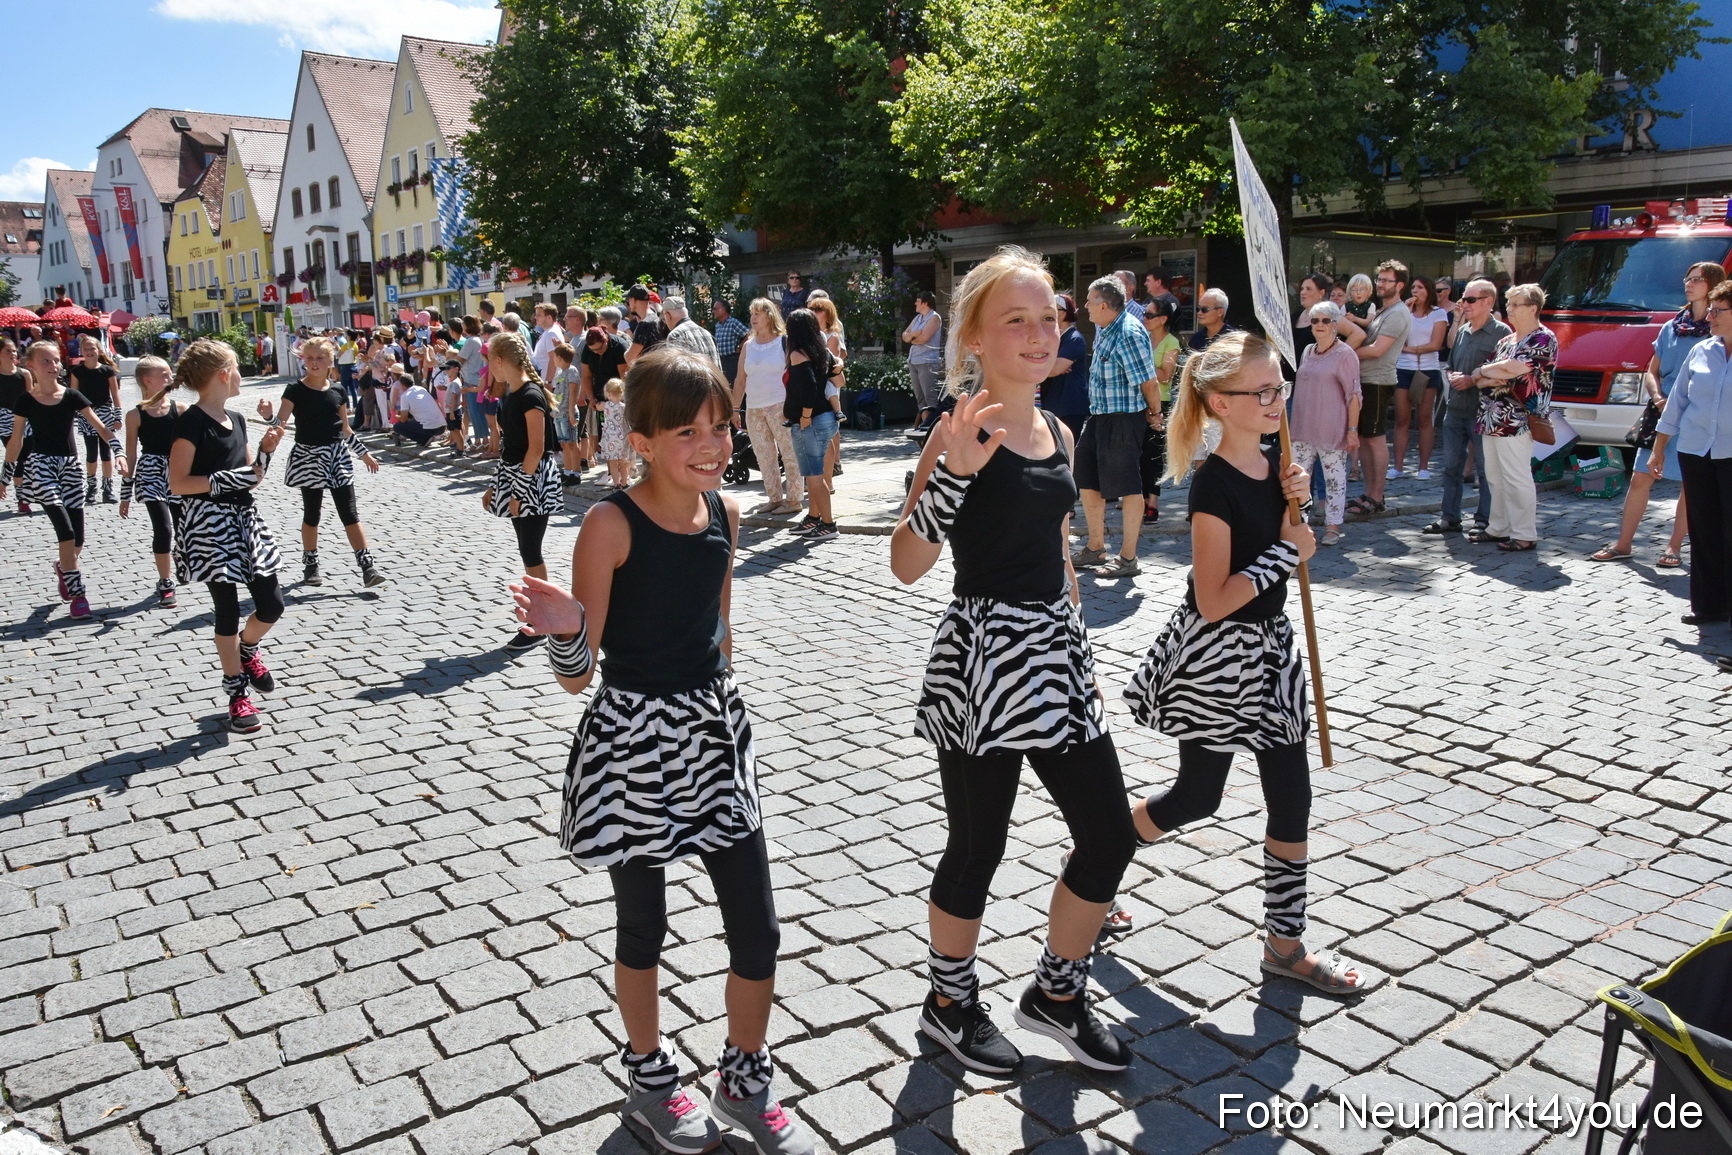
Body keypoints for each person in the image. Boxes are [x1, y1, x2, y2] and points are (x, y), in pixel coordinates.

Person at [507, 345, 814, 1155]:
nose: (712, 445)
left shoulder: (727, 514)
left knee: (758, 929)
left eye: (718, 426)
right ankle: (648, 1078)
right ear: (640, 439)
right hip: (634, 741)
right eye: (687, 431)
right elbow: (579, 677)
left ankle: (743, 1077)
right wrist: (567, 627)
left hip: (711, 733)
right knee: (644, 924)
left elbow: (720, 627)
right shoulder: (610, 523)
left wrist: (725, 705)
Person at [890, 246, 1137, 1076]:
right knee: (978, 845)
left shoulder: (1059, 427)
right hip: (982, 660)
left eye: (1048, 317)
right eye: (1016, 320)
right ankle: (949, 1002)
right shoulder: (959, 426)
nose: (1038, 333)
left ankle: (1057, 993)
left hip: (1055, 656)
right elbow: (905, 561)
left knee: (1107, 834)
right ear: (976, 337)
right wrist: (954, 477)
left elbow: (1055, 543)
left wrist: (1075, 636)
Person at [1123, 330, 1380, 997]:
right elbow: (1213, 600)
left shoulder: (1278, 466)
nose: (1276, 401)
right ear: (1218, 402)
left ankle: (1285, 944)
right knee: (1197, 795)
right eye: (1261, 392)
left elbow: (1293, 547)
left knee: (1291, 796)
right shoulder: (1212, 486)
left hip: (1271, 651)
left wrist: (1295, 509)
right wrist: (1287, 551)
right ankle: (1100, 853)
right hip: (1217, 656)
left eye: (1279, 388)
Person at [165, 340, 287, 733]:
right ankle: (236, 693)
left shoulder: (236, 417)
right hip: (208, 524)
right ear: (222, 374)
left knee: (271, 604)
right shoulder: (190, 422)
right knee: (228, 610)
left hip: (244, 518)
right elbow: (179, 482)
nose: (239, 375)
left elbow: (253, 476)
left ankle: (247, 649)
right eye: (236, 368)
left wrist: (266, 452)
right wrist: (232, 479)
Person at [1591, 261, 1722, 565]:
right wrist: (1659, 397)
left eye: (1696, 279)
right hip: (1662, 411)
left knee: (1690, 483)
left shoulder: (1718, 329)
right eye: (1687, 278)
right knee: (1640, 477)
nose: (1688, 284)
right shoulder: (1672, 325)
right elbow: (1652, 370)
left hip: (1698, 413)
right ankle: (1623, 543)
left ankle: (1674, 547)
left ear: (1713, 284)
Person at [0, 341, 129, 620]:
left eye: (56, 360)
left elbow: (101, 428)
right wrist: (5, 477)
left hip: (70, 468)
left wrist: (119, 453)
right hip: (41, 468)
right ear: (30, 366)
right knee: (66, 533)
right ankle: (78, 594)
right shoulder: (25, 401)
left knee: (77, 538)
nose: (53, 366)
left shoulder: (72, 396)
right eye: (45, 361)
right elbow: (15, 440)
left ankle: (64, 567)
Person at [257, 336, 387, 588]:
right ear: (303, 360)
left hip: (337, 457)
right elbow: (281, 426)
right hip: (308, 457)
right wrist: (269, 416)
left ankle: (367, 566)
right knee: (312, 513)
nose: (314, 363)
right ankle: (311, 564)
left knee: (349, 513)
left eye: (320, 358)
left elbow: (346, 430)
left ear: (331, 360)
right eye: (309, 358)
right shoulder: (295, 390)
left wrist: (364, 454)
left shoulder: (338, 391)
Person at [1647, 276, 1732, 626]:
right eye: (1710, 309)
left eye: (1717, 310)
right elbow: (1678, 401)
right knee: (1705, 529)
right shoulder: (1702, 349)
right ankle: (1709, 607)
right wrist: (1659, 447)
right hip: (1697, 451)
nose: (1709, 316)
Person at [1072, 275, 1160, 578]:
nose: (1085, 306)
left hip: (1123, 419)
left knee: (1127, 486)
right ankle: (1096, 548)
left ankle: (1128, 558)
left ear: (1105, 305)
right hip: (1099, 417)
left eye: (1089, 300)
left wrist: (1156, 414)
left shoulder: (1128, 331)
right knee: (1086, 477)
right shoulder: (1106, 327)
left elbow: (1149, 381)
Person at [486, 330, 566, 652]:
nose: (489, 369)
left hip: (534, 480)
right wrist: (495, 485)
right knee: (526, 550)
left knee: (531, 550)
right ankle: (542, 617)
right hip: (517, 476)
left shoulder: (532, 395)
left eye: (490, 361)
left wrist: (517, 491)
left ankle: (542, 620)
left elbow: (535, 449)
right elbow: (510, 447)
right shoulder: (510, 394)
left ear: (500, 361)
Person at [1469, 283, 1555, 551]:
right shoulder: (1506, 341)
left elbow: (1513, 368)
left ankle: (1524, 533)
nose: (1509, 309)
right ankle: (1499, 527)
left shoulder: (1543, 338)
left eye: (1515, 304)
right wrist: (1492, 372)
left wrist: (1489, 371)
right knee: (1494, 475)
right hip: (1491, 416)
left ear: (1533, 308)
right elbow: (1480, 378)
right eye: (1508, 303)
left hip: (1518, 419)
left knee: (1516, 476)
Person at [1425, 278, 1508, 536]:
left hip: (1483, 413)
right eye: (1464, 299)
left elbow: (1504, 374)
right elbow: (1450, 364)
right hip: (1455, 410)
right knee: (1450, 466)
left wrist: (1472, 380)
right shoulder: (1462, 330)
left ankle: (1484, 520)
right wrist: (1451, 376)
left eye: (1470, 299)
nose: (1464, 304)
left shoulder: (1502, 334)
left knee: (1486, 470)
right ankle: (1450, 517)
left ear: (1488, 302)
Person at [1289, 301, 1362, 547]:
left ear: (1335, 324)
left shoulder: (1345, 354)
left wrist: (1352, 431)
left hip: (1331, 427)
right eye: (1315, 320)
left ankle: (1333, 526)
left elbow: (1353, 395)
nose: (1319, 325)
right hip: (1302, 425)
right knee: (1298, 478)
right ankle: (1299, 525)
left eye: (1325, 320)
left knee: (1334, 478)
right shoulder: (1307, 350)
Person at [1346, 261, 1413, 516]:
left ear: (1399, 285)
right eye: (1380, 279)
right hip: (1365, 381)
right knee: (1364, 439)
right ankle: (1368, 493)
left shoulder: (1397, 313)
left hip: (1378, 382)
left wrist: (1344, 352)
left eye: (1386, 280)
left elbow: (1377, 350)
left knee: (1375, 440)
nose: (1381, 284)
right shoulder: (1383, 311)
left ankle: (1377, 496)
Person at [118, 356, 183, 607]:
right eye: (164, 375)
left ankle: (180, 558)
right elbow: (131, 455)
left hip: (177, 471)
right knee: (163, 528)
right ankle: (166, 582)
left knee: (182, 526)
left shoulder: (181, 410)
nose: (170, 378)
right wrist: (125, 494)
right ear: (148, 380)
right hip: (150, 472)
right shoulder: (135, 415)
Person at [731, 298, 803, 516]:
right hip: (754, 408)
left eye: (758, 313)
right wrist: (735, 408)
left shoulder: (784, 341)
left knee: (789, 453)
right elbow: (740, 380)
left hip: (780, 405)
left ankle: (794, 499)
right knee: (764, 455)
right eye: (751, 313)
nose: (753, 318)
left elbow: (798, 375)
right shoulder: (748, 346)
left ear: (769, 316)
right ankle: (774, 498)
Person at [783, 309, 844, 541]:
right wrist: (837, 363)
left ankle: (828, 524)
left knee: (815, 477)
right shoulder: (822, 352)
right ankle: (813, 518)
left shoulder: (798, 355)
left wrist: (805, 416)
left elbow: (807, 390)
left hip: (811, 421)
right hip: (827, 418)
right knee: (815, 474)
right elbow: (839, 379)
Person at [1392, 276, 1448, 480]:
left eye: (1420, 287)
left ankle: (1423, 467)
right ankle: (1397, 466)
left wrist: (1409, 349)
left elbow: (1436, 344)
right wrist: (1405, 311)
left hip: (1427, 369)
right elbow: (1396, 337)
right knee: (1401, 419)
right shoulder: (1404, 311)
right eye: (1413, 287)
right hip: (1403, 368)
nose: (1415, 290)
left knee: (1424, 419)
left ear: (1429, 290)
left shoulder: (1438, 313)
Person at [1140, 297, 1182, 520]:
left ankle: (1153, 503)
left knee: (1154, 454)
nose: (1144, 318)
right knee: (1138, 453)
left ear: (1163, 319)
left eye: (1149, 315)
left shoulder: (1171, 342)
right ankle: (1140, 499)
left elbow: (1166, 376)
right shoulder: (1142, 338)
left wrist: (1142, 365)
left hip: (1160, 402)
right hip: (1139, 401)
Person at [70, 336, 122, 504]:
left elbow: (115, 394)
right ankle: (91, 486)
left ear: (99, 350)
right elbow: (73, 395)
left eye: (92, 349)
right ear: (81, 352)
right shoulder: (77, 372)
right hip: (87, 415)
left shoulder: (107, 370)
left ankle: (107, 488)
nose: (90, 352)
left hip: (106, 414)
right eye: (86, 349)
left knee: (106, 454)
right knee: (91, 454)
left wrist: (118, 416)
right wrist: (73, 415)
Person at [807, 293, 848, 480]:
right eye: (812, 309)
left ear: (828, 313)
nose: (814, 312)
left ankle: (834, 465)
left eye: (818, 309)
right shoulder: (810, 334)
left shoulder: (832, 335)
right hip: (814, 383)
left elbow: (827, 361)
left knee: (831, 426)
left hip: (828, 382)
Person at [581, 325, 630, 473]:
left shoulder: (619, 346)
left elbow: (624, 377)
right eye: (593, 350)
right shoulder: (588, 349)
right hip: (600, 396)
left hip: (618, 395)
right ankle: (611, 471)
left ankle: (624, 470)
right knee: (606, 434)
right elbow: (586, 375)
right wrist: (591, 398)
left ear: (606, 339)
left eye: (599, 348)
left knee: (620, 436)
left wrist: (618, 403)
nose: (597, 352)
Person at [1041, 293, 1090, 439]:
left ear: (1066, 313)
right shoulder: (1051, 338)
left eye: (1056, 310)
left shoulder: (1074, 339)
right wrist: (1051, 363)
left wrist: (1046, 365)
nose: (1051, 315)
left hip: (1069, 407)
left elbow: (1055, 369)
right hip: (1051, 404)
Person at [904, 291, 945, 434]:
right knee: (920, 399)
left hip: (927, 362)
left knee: (930, 398)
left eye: (918, 300)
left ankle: (934, 430)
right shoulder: (917, 319)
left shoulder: (934, 318)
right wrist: (915, 333)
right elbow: (904, 336)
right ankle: (925, 429)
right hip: (914, 361)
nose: (915, 303)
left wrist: (912, 338)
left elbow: (924, 338)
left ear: (925, 303)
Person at [0, 337, 32, 515]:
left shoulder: (24, 374)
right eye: (8, 351)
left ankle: (26, 494)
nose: (12, 354)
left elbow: (31, 397)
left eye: (14, 351)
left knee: (28, 458)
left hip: (25, 419)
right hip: (4, 420)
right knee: (16, 457)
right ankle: (22, 498)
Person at [548, 343, 583, 483]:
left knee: (572, 443)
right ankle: (567, 471)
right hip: (559, 413)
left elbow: (573, 392)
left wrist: (570, 412)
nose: (554, 360)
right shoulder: (561, 373)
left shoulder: (572, 371)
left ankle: (576, 473)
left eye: (555, 357)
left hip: (567, 413)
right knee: (563, 443)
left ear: (560, 357)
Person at [392, 372, 450, 447]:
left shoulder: (405, 396)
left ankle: (423, 439)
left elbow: (404, 419)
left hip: (430, 428)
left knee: (397, 427)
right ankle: (426, 438)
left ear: (402, 385)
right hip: (441, 427)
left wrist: (397, 417)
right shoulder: (421, 389)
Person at [661, 296, 721, 367]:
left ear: (667, 315)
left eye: (664, 319)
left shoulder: (675, 335)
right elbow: (719, 368)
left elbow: (675, 371)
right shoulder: (707, 333)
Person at [599, 378, 632, 488]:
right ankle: (624, 483)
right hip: (622, 436)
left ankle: (616, 483)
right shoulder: (624, 407)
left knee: (613, 462)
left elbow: (598, 406)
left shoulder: (606, 405)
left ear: (608, 393)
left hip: (610, 437)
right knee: (623, 462)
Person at [1293, 273, 1332, 358]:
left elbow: (1358, 334)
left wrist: (1333, 356)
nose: (1303, 292)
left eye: (1308, 289)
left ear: (1321, 292)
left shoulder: (1328, 316)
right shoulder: (1295, 316)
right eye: (1302, 289)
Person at [624, 286, 664, 366]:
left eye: (629, 300)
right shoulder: (657, 318)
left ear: (634, 300)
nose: (628, 304)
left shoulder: (644, 324)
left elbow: (629, 358)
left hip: (649, 372)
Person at [712, 299, 749, 386]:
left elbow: (749, 334)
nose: (713, 311)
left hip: (732, 360)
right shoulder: (718, 325)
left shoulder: (733, 323)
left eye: (715, 309)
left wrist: (740, 347)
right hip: (721, 360)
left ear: (723, 310)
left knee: (734, 385)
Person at [531, 303, 566, 380]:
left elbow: (553, 359)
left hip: (549, 383)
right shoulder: (549, 331)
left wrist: (548, 381)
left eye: (539, 315)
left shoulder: (551, 333)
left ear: (549, 317)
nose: (535, 317)